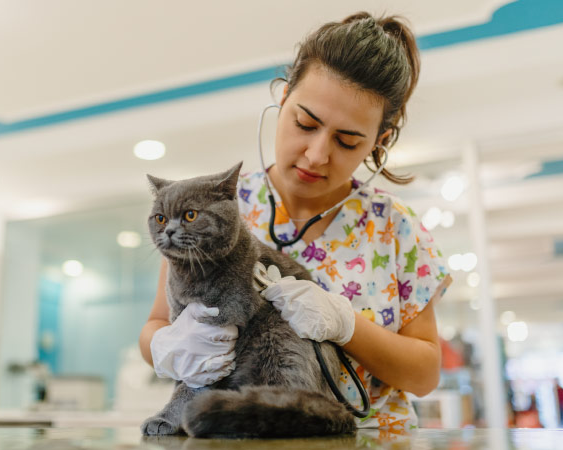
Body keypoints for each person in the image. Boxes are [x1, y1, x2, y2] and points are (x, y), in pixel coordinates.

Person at [139, 12, 452, 430]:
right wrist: (164, 346)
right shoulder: (210, 207)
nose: (316, 154)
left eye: (347, 140)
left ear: (379, 141)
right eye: (305, 123)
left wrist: (345, 324)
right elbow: (157, 324)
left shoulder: (396, 228)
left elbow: (424, 373)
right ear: (282, 98)